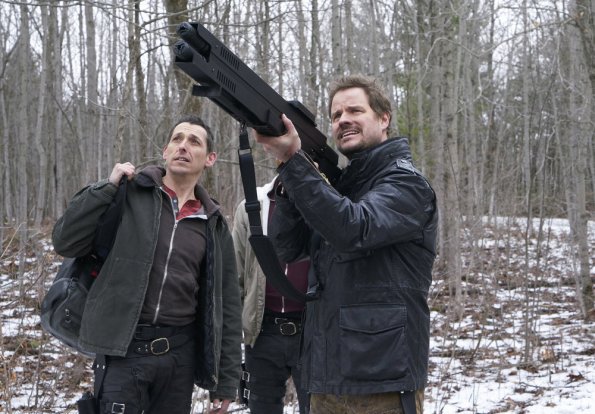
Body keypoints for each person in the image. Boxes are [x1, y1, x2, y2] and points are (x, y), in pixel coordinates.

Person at [253, 75, 438, 414]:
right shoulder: (340, 188)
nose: (343, 120)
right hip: (324, 376)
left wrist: (295, 164)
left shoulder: (407, 183)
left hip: (382, 384)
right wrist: (291, 179)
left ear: (384, 118)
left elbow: (353, 230)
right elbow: (288, 249)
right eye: (336, 115)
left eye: (355, 110)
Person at [52, 115, 242, 414]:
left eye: (194, 142)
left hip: (179, 359)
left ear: (210, 159)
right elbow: (65, 241)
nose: (183, 146)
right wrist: (106, 188)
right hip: (123, 349)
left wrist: (226, 381)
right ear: (165, 151)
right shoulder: (128, 194)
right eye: (177, 139)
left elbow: (227, 305)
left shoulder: (213, 224)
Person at [232, 175, 310, 414]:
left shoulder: (327, 204)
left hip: (313, 333)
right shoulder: (252, 206)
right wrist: (235, 335)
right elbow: (236, 276)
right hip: (262, 331)